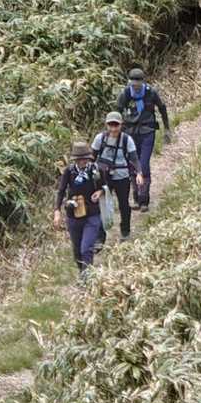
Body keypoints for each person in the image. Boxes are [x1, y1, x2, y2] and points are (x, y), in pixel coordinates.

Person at [119, 66, 170, 211]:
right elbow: (117, 112)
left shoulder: (150, 92)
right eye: (133, 83)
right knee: (132, 164)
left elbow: (162, 108)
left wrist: (167, 129)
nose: (135, 86)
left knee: (144, 164)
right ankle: (136, 197)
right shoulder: (125, 93)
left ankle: (144, 199)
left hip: (147, 131)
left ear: (143, 81)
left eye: (138, 83)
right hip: (130, 133)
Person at [54, 141, 106, 274]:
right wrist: (57, 211)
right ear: (75, 160)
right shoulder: (69, 171)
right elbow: (61, 191)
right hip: (73, 215)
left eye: (85, 158)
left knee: (86, 249)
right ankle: (83, 272)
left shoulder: (96, 170)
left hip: (92, 214)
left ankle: (86, 279)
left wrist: (100, 192)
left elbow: (106, 186)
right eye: (79, 159)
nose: (82, 161)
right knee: (77, 251)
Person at [92, 111, 142, 240]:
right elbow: (92, 157)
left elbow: (134, 158)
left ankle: (125, 232)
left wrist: (139, 173)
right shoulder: (100, 138)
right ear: (106, 125)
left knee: (124, 205)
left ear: (121, 125)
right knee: (101, 206)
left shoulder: (127, 140)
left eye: (116, 125)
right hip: (103, 177)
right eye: (111, 125)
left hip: (122, 177)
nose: (113, 128)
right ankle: (100, 237)